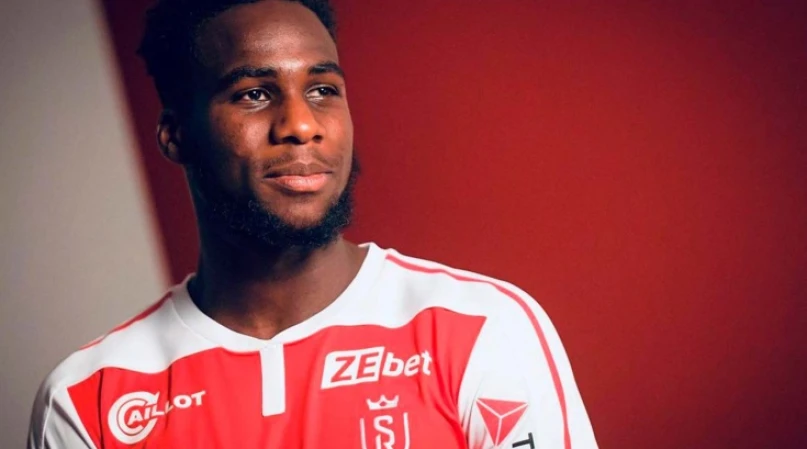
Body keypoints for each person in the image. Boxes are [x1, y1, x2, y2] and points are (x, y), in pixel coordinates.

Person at [27, 1, 598, 448]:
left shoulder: (480, 327)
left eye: (323, 90)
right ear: (175, 135)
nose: (301, 125)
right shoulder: (87, 397)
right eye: (254, 94)